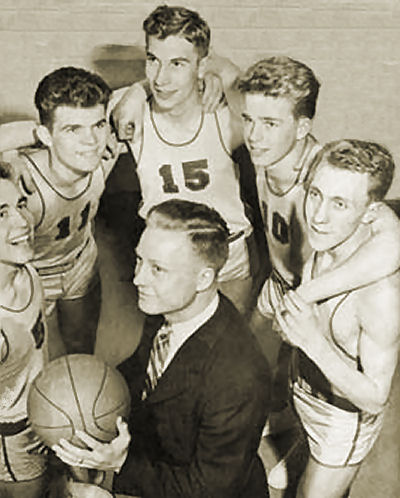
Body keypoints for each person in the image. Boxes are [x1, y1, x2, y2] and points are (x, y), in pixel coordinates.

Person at [52, 199, 271, 498]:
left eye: (158, 269)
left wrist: (121, 464)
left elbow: (210, 488)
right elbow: (143, 370)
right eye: (140, 260)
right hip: (162, 456)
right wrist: (85, 401)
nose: (137, 278)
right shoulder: (169, 305)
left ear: (204, 278)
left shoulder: (239, 377)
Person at [235, 57, 400, 414]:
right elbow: (215, 68)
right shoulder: (266, 154)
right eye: (248, 119)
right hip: (280, 283)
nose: (253, 135)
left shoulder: (322, 171)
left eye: (269, 123)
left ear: (301, 127)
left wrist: (306, 295)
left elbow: (392, 241)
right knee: (246, 358)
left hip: (316, 299)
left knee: (318, 389)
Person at [275, 139, 400, 498]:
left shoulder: (380, 296)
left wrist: (312, 340)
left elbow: (376, 399)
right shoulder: (332, 237)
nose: (318, 216)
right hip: (304, 392)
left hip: (341, 421)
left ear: (370, 213)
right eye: (316, 194)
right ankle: (306, 450)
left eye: (339, 204)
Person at [111, 5, 255, 314]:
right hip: (166, 264)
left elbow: (247, 86)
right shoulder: (131, 112)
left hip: (227, 257)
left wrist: (214, 70)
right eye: (153, 61)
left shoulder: (227, 118)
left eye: (177, 63)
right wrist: (138, 91)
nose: (161, 78)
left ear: (202, 66)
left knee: (232, 344)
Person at [10, 66, 120, 359]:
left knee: (81, 352)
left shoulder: (104, 155)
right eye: (73, 129)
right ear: (45, 136)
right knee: (24, 363)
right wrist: (23, 137)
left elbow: (163, 89)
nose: (91, 141)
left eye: (97, 125)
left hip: (79, 261)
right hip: (32, 274)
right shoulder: (21, 187)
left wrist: (135, 94)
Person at [0, 161, 48, 498]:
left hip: (41, 411)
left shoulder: (27, 267)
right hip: (13, 435)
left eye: (19, 205)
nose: (22, 222)